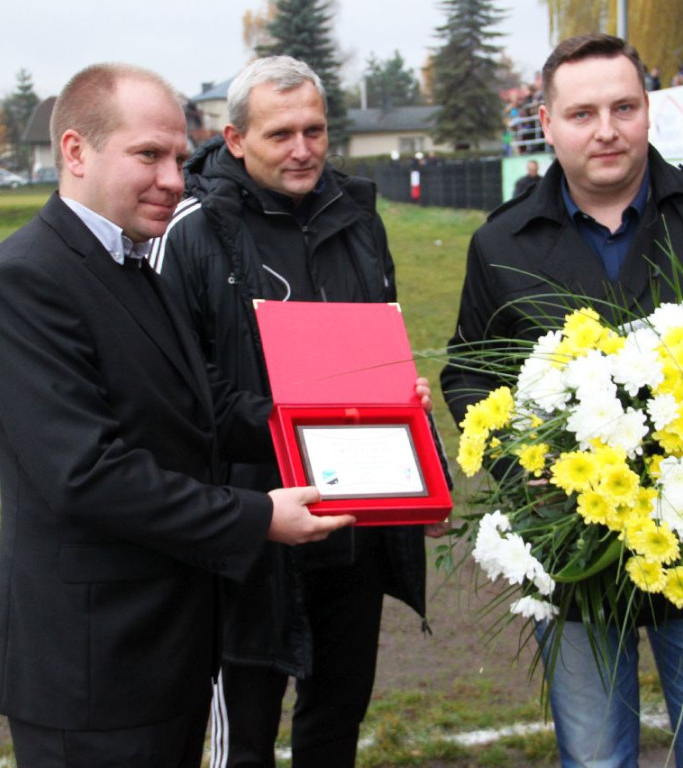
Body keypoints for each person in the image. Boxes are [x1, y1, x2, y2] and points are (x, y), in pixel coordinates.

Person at [440, 34, 683, 768]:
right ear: (547, 125)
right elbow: (467, 374)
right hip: (576, 557)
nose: (607, 129)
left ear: (649, 112)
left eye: (624, 107)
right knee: (592, 758)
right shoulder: (501, 242)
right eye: (582, 113)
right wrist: (517, 467)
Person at [0, 63, 355, 768]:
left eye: (179, 156)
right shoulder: (26, 280)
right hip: (90, 670)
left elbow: (204, 407)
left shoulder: (133, 263)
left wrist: (349, 419)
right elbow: (85, 475)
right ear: (76, 151)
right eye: (148, 155)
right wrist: (257, 516)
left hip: (165, 652)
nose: (175, 179)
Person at [150, 56, 447, 768]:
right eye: (281, 133)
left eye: (314, 129)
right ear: (235, 138)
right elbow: (181, 395)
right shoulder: (189, 231)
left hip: (355, 521)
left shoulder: (358, 219)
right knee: (245, 739)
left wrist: (421, 461)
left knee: (336, 721)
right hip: (251, 524)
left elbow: (385, 359)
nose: (303, 148)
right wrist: (297, 426)